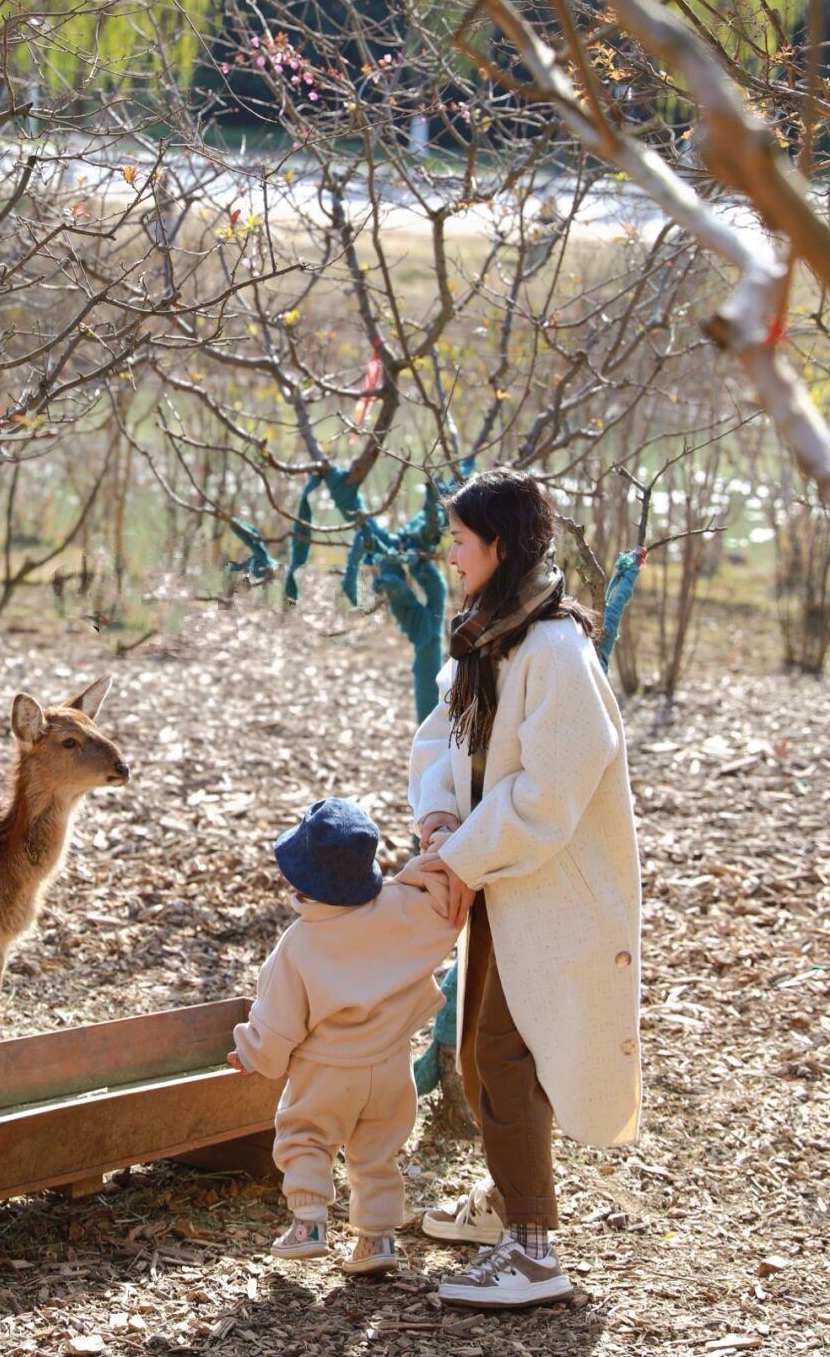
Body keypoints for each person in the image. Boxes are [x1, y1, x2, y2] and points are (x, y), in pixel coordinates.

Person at [405, 465, 642, 1310]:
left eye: (460, 541)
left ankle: (534, 1251)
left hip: (549, 885)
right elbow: (442, 736)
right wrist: (438, 826)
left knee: (507, 1053)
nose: (450, 555)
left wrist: (461, 857)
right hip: (500, 875)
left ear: (498, 546)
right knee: (478, 1049)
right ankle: (510, 1206)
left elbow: (547, 794)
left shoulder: (555, 650)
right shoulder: (487, 633)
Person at [227, 797, 457, 1275]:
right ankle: (377, 1241)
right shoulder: (398, 907)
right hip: (393, 1067)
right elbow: (439, 896)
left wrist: (252, 1053)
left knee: (306, 1137)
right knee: (377, 1152)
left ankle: (309, 1224)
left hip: (327, 1072)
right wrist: (440, 852)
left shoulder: (299, 943)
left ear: (299, 880)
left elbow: (276, 1021)